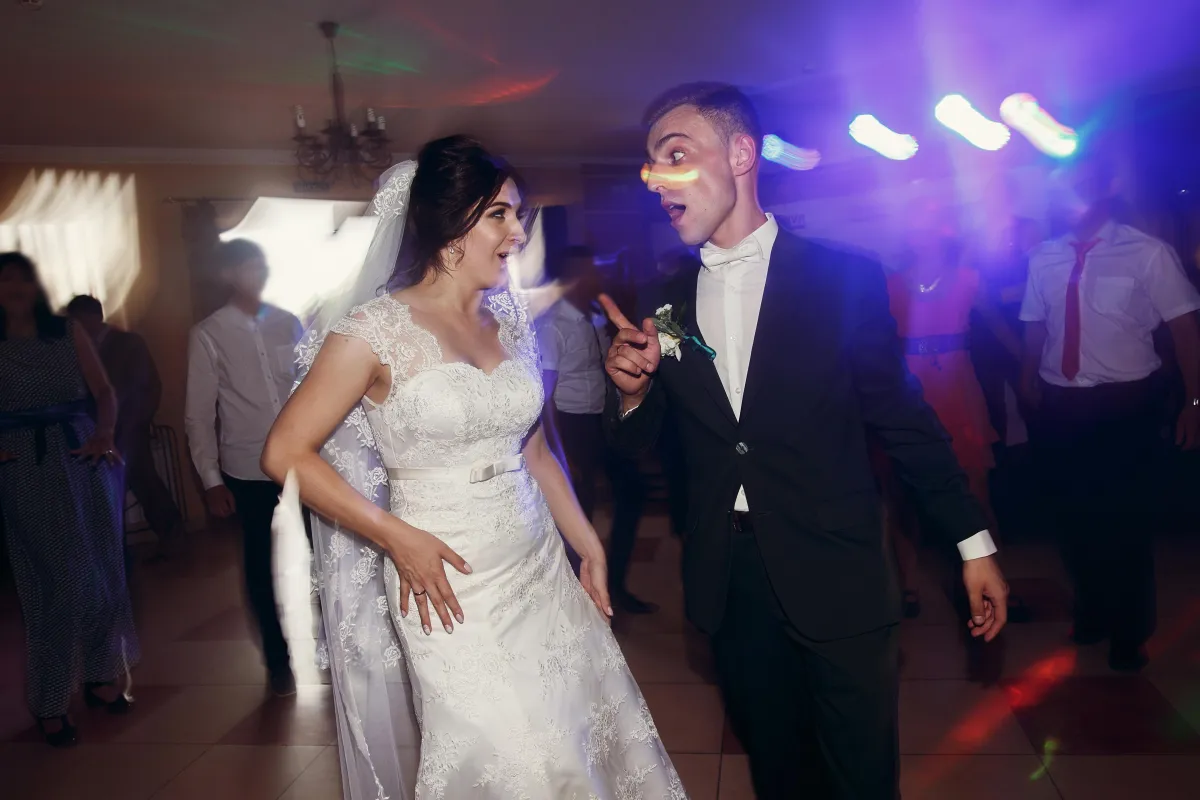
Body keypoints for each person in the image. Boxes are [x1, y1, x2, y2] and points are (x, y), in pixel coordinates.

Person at [602, 83, 1009, 798]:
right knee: (777, 772)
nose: (656, 179)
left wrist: (972, 544)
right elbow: (644, 448)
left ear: (740, 154)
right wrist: (632, 394)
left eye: (675, 155)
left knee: (859, 776)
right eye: (649, 165)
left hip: (837, 572)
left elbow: (902, 419)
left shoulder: (843, 280)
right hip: (730, 579)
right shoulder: (662, 299)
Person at [260, 136, 685, 799]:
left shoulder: (509, 323)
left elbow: (536, 450)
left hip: (536, 560)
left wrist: (587, 542)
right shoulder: (370, 332)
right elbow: (284, 453)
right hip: (444, 575)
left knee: (573, 743)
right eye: (502, 214)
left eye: (517, 213)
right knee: (506, 758)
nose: (519, 231)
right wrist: (395, 536)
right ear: (452, 223)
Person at [1020, 152, 1200, 672]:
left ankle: (1130, 630)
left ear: (1101, 192)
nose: (1064, 199)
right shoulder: (1044, 257)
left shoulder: (1148, 253)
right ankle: (1094, 611)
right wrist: (1029, 378)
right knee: (1074, 518)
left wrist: (1193, 402)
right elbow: (1036, 324)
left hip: (1126, 407)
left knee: (1126, 522)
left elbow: (1185, 328)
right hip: (1063, 406)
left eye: (1075, 187)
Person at [0, 252, 140, 747]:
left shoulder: (65, 331)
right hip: (25, 469)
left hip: (82, 456)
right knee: (55, 583)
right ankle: (51, 700)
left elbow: (103, 391)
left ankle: (101, 677)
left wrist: (105, 432)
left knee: (101, 572)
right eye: (4, 280)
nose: (14, 287)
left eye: (21, 278)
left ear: (35, 285)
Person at [185, 239, 303, 696]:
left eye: (262, 265)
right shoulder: (209, 333)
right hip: (247, 468)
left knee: (322, 554)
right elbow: (198, 413)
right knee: (259, 566)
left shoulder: (287, 322)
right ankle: (278, 662)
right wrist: (211, 479)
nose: (259, 273)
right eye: (249, 267)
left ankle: (335, 645)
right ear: (228, 275)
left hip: (301, 461)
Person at [538, 246, 655, 614]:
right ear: (569, 278)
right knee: (578, 507)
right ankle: (579, 596)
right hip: (570, 422)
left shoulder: (594, 315)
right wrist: (560, 453)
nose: (596, 277)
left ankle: (615, 583)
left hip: (599, 418)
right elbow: (545, 394)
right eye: (587, 271)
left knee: (632, 491)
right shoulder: (553, 325)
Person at [66, 294, 185, 561]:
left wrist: (137, 422)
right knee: (105, 493)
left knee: (145, 483)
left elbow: (150, 385)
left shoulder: (128, 343)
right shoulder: (76, 350)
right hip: (93, 431)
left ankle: (172, 535)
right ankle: (114, 551)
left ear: (94, 317)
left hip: (130, 427)